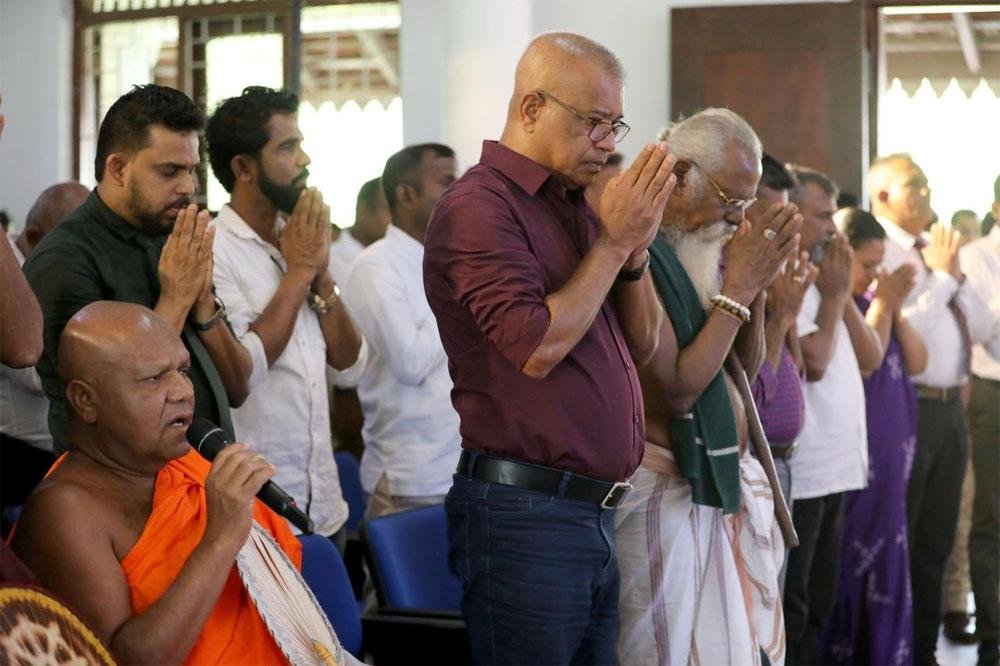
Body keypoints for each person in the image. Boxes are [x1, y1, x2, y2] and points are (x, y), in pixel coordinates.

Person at [424, 31, 674, 664]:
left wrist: (633, 251)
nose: (608, 143)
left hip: (590, 512)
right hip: (525, 515)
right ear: (532, 108)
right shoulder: (479, 207)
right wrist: (612, 244)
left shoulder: (572, 205)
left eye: (615, 125)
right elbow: (536, 346)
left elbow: (644, 343)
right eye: (594, 122)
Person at [10, 301, 354, 665]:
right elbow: (124, 661)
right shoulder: (65, 512)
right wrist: (220, 540)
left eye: (183, 371)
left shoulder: (191, 466)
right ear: (85, 401)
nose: (183, 392)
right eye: (154, 379)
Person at [614, 109, 800, 666]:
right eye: (729, 199)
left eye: (747, 202)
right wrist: (738, 287)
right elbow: (677, 390)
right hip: (659, 492)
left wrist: (756, 286)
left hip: (708, 490)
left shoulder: (699, 245)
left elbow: (741, 366)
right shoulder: (638, 250)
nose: (737, 217)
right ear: (680, 174)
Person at [23, 84, 252, 453]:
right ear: (118, 169)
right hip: (118, 483)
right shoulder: (64, 261)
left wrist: (204, 304)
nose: (188, 186)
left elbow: (238, 388)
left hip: (201, 474)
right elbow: (107, 406)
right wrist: (176, 298)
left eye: (191, 170)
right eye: (169, 171)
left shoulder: (173, 240)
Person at [205, 86, 365, 549]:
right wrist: (298, 273)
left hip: (326, 505)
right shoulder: (214, 250)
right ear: (244, 168)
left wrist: (321, 274)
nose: (304, 159)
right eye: (288, 147)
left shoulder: (300, 238)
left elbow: (350, 368)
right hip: (260, 516)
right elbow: (245, 372)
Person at [869, 154, 995, 665]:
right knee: (904, 533)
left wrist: (955, 277)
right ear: (883, 196)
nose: (925, 191)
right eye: (913, 184)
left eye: (925, 183)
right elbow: (899, 326)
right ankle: (896, 649)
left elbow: (980, 327)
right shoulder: (879, 250)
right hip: (907, 406)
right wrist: (942, 278)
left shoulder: (933, 251)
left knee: (938, 538)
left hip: (950, 409)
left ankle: (923, 649)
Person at [784, 165, 884, 665]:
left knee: (820, 603)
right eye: (822, 216)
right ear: (791, 212)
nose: (831, 227)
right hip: (803, 472)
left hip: (837, 468)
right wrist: (833, 296)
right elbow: (816, 363)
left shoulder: (828, 279)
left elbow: (871, 358)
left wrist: (840, 295)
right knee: (794, 608)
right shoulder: (787, 278)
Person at [821, 207, 927, 665]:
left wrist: (893, 308)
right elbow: (871, 359)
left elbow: (918, 361)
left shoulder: (877, 306)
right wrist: (883, 303)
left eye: (880, 265)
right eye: (867, 265)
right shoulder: (838, 306)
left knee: (889, 560)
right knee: (847, 565)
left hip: (891, 470)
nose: (875, 276)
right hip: (854, 467)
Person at [341, 144, 461, 518]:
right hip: (412, 476)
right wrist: (460, 292)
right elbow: (411, 362)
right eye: (447, 181)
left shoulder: (449, 261)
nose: (459, 191)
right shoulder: (376, 265)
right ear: (406, 195)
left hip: (463, 467)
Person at [1, 182, 89, 510]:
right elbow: (33, 364)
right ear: (35, 237)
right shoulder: (13, 273)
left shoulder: (70, 270)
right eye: (72, 243)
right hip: (21, 460)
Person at [747, 155, 816, 547]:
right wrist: (781, 317)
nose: (787, 236)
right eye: (775, 223)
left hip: (784, 459)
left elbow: (799, 370)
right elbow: (757, 390)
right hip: (754, 462)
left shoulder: (777, 276)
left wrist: (787, 314)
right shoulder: (732, 276)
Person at [958, 178, 1000, 666]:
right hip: (993, 392)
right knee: (991, 514)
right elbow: (982, 329)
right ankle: (992, 629)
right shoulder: (977, 257)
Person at [329, 176, 391, 285]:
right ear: (365, 209)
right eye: (389, 210)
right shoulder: (331, 259)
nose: (395, 219)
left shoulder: (392, 258)